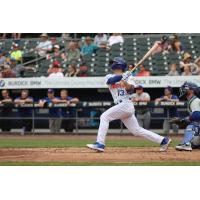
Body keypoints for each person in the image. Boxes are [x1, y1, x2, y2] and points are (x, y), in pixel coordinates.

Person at [87, 57, 171, 152]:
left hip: (126, 104)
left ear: (118, 64)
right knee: (136, 131)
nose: (112, 65)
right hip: (121, 106)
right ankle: (163, 140)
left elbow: (130, 90)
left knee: (104, 117)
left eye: (113, 63)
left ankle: (100, 143)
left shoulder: (130, 77)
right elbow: (110, 81)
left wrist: (125, 82)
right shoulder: (109, 76)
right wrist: (122, 76)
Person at [173, 82, 200, 151]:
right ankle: (190, 144)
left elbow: (197, 115)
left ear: (192, 91)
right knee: (194, 144)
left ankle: (186, 144)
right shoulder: (193, 100)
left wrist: (184, 120)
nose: (184, 89)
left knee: (193, 125)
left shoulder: (195, 100)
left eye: (186, 88)